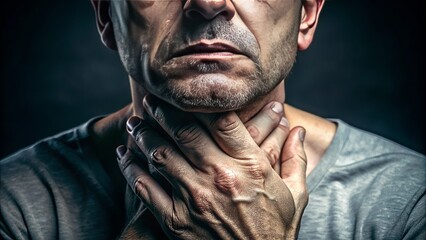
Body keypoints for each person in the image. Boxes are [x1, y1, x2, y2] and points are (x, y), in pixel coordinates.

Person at [1, 0, 424, 239]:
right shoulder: (13, 205)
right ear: (106, 17)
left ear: (308, 14)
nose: (208, 4)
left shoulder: (409, 204)